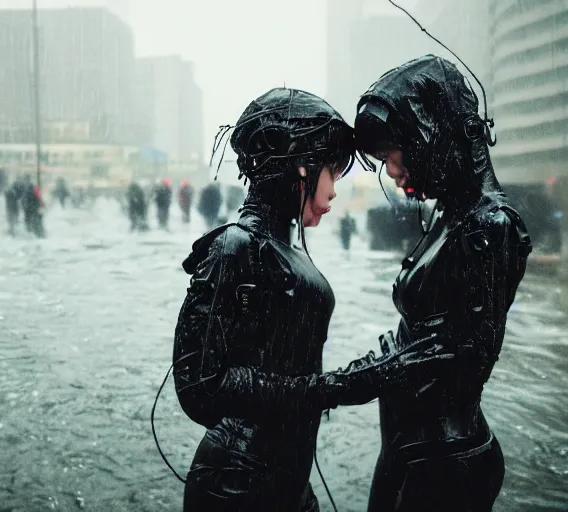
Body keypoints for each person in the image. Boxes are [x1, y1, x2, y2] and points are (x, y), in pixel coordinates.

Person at [173, 88, 454, 511]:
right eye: (334, 172)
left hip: (289, 482)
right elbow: (199, 386)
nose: (336, 190)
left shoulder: (280, 246)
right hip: (237, 486)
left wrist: (374, 370)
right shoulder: (236, 245)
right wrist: (333, 388)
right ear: (302, 168)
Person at [355, 55, 532, 512]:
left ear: (427, 134)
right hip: (409, 448)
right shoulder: (448, 214)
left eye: (391, 155)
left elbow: (469, 358)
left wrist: (370, 376)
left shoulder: (490, 225)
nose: (391, 172)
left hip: (447, 466)